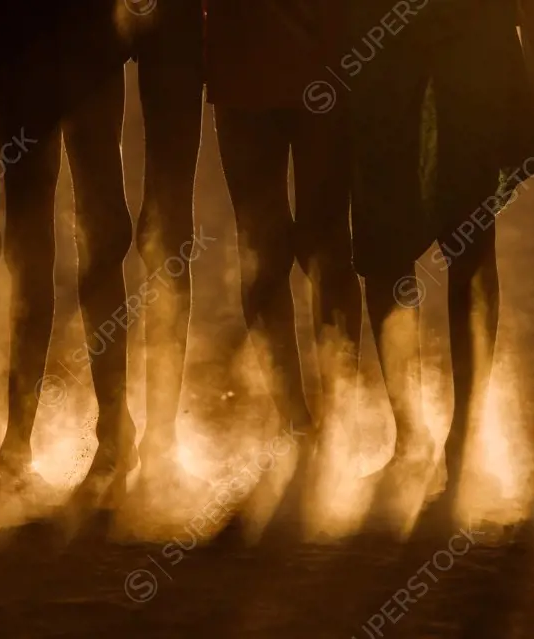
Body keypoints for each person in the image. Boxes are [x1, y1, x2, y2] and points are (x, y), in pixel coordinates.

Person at [0, 0, 137, 505]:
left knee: (44, 234)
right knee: (18, 235)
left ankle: (13, 444)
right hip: (20, 40)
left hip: (45, 38)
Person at [348, 0, 534, 528]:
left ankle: (465, 439)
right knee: (386, 242)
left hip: (472, 41)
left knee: (471, 230)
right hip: (383, 41)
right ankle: (410, 435)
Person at [206, 0, 361, 533]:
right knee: (265, 249)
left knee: (319, 243)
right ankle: (297, 421)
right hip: (246, 62)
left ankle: (331, 416)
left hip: (317, 55)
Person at [122, 1, 207, 498]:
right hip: (78, 26)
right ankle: (122, 436)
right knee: (149, 221)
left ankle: (157, 438)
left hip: (174, 23)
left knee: (166, 221)